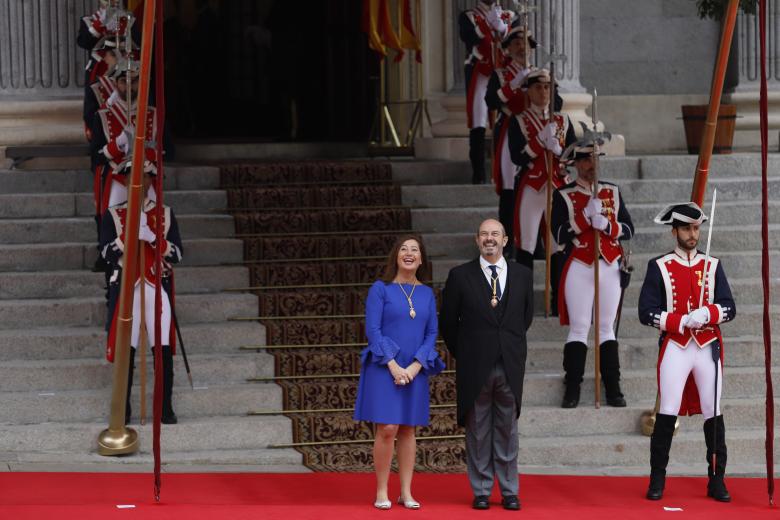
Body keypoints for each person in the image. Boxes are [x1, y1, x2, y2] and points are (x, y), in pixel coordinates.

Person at [638, 202, 736, 502]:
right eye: (686, 228)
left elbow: (730, 307)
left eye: (695, 228)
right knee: (667, 410)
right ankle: (657, 480)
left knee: (713, 412)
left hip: (707, 346)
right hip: (676, 346)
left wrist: (708, 313)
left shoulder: (713, 265)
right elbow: (646, 312)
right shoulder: (660, 266)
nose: (692, 234)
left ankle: (716, 479)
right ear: (674, 231)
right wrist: (679, 320)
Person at [439, 219, 534, 511]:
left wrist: (508, 346)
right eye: (484, 234)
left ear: (506, 240)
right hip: (474, 364)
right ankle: (481, 490)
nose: (489, 239)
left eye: (495, 234)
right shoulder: (459, 276)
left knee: (508, 429)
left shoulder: (522, 274)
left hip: (510, 363)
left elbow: (525, 317)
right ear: (476, 240)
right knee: (478, 429)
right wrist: (466, 352)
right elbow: (448, 323)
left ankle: (509, 491)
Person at [353, 235, 445, 510]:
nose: (408, 253)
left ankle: (406, 491)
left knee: (407, 428)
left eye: (414, 250)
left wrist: (416, 366)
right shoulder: (380, 289)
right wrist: (393, 365)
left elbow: (431, 333)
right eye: (403, 249)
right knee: (387, 428)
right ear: (396, 256)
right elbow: (373, 331)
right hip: (384, 366)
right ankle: (382, 489)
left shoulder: (427, 294)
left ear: (421, 259)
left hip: (414, 367)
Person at [551, 144, 634, 409]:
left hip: (609, 263)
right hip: (580, 263)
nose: (592, 164)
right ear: (576, 163)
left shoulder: (612, 191)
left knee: (606, 327)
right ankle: (572, 387)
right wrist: (585, 218)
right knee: (579, 327)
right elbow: (559, 235)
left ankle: (613, 387)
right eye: (586, 160)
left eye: (595, 159)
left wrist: (607, 225)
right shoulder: (563, 194)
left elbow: (630, 229)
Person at [100, 166, 183, 425]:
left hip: (156, 285)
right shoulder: (113, 215)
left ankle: (164, 408)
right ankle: (121, 411)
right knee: (128, 349)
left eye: (145, 176)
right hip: (128, 287)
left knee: (162, 349)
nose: (139, 180)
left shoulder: (166, 213)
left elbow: (178, 254)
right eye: (133, 176)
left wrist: (153, 238)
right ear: (125, 180)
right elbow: (105, 255)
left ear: (150, 181)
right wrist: (127, 237)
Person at [508, 68, 575, 316]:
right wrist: (538, 143)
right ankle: (524, 305)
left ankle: (558, 302)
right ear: (529, 91)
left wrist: (559, 151)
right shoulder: (518, 120)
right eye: (538, 87)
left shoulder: (564, 122)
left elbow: (573, 157)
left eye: (547, 87)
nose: (543, 92)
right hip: (533, 186)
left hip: (557, 186)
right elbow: (517, 156)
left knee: (558, 245)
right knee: (525, 244)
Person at [484, 20, 536, 258]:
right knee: (509, 188)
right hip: (509, 130)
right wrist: (513, 85)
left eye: (525, 43)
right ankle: (507, 242)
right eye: (516, 43)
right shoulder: (501, 74)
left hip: (536, 134)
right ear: (508, 48)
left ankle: (538, 244)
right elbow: (491, 102)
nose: (522, 48)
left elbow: (555, 103)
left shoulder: (539, 74)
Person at [458, 0, 513, 184]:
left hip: (502, 74)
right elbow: (469, 38)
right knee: (478, 121)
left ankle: (503, 172)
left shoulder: (509, 16)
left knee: (505, 121)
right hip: (480, 73)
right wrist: (485, 25)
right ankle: (479, 174)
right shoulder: (468, 17)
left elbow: (519, 44)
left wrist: (503, 29)